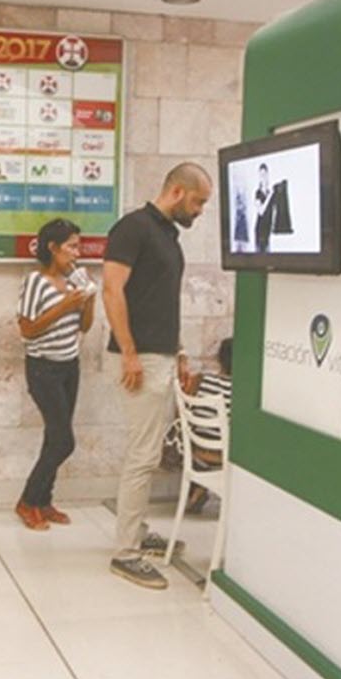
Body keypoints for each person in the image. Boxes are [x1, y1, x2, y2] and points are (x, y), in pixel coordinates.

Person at [102, 162, 212, 589]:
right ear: (178, 191)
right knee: (143, 456)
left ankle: (136, 532)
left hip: (159, 355)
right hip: (141, 359)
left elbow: (159, 300)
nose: (200, 210)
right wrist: (129, 352)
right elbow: (111, 290)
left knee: (145, 454)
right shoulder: (133, 228)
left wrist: (178, 350)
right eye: (199, 201)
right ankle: (126, 553)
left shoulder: (166, 234)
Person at [14, 217, 98, 530]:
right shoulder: (35, 282)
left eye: (78, 246)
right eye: (71, 247)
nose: (77, 253)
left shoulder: (74, 282)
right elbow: (26, 329)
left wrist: (89, 299)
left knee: (54, 437)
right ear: (53, 247)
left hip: (69, 366)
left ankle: (43, 501)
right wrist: (64, 306)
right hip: (43, 368)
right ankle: (27, 501)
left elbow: (84, 327)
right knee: (64, 441)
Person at [178, 337, 233, 515]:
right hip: (223, 454)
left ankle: (198, 489)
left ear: (219, 359)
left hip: (196, 450)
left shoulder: (201, 380)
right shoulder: (241, 390)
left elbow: (184, 411)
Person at [252, 162, 292, 252]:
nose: (263, 177)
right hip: (260, 230)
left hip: (268, 229)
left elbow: (276, 209)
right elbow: (261, 211)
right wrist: (270, 195)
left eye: (265, 174)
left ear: (267, 174)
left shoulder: (271, 191)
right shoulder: (258, 193)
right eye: (261, 175)